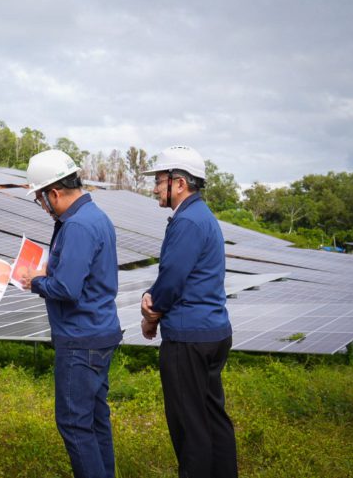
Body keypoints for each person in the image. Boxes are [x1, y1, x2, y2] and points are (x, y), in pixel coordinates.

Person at [20, 149, 122, 478]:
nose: (43, 207)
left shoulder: (77, 226)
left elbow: (66, 289)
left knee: (74, 425)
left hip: (81, 340)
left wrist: (34, 280)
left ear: (54, 193)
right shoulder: (96, 217)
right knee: (94, 421)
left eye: (40, 199)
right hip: (99, 332)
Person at [140, 145, 238, 478]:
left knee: (189, 427)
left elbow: (172, 278)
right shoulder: (202, 216)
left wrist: (152, 312)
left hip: (188, 339)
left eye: (159, 180)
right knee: (212, 420)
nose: (155, 187)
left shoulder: (188, 222)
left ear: (178, 183)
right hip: (212, 332)